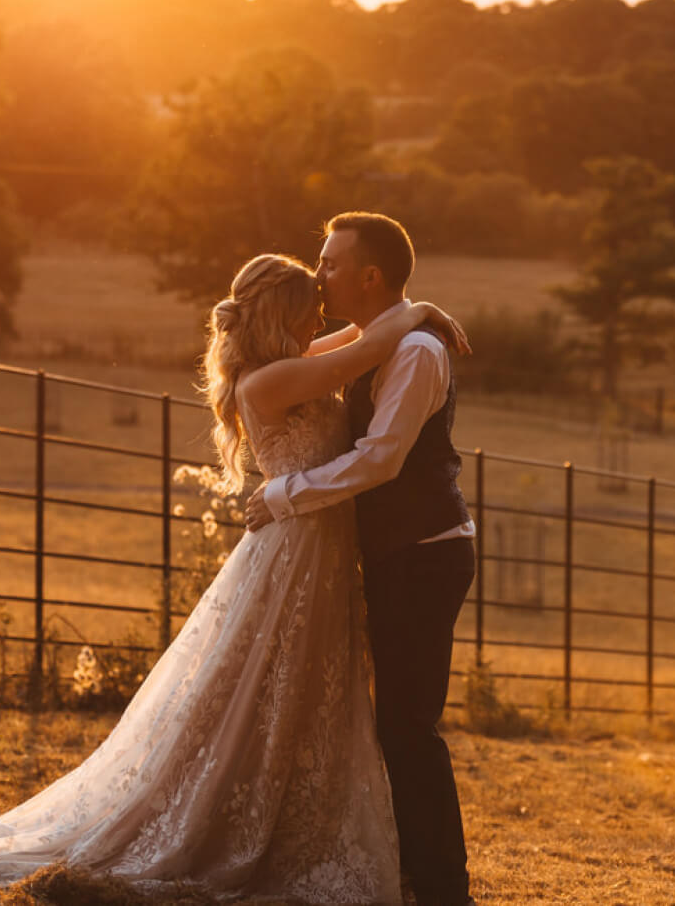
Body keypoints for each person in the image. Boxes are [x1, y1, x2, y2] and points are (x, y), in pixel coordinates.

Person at [0, 252, 468, 904]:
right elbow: (360, 352)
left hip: (320, 546)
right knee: (262, 689)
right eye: (309, 307)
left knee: (299, 692)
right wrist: (415, 311)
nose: (321, 309)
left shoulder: (289, 364)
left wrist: (409, 313)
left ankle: (298, 818)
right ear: (283, 318)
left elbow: (355, 344)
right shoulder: (270, 380)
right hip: (295, 549)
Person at [244, 212, 478, 906]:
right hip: (393, 551)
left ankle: (443, 890)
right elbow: (332, 359)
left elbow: (380, 460)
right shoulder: (381, 340)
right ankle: (412, 873)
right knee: (390, 723)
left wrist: (284, 494)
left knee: (407, 725)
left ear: (370, 275)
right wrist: (419, 307)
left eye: (330, 263)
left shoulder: (416, 353)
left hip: (425, 551)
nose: (320, 275)